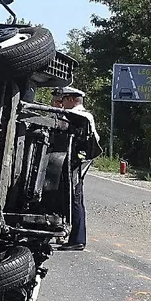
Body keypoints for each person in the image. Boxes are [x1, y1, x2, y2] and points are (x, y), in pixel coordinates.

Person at [56, 87, 101, 250]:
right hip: (77, 164)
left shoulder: (77, 117)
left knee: (74, 200)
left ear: (72, 99)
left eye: (64, 99)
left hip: (74, 165)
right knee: (76, 199)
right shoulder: (86, 116)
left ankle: (77, 239)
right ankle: (75, 237)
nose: (62, 102)